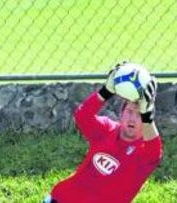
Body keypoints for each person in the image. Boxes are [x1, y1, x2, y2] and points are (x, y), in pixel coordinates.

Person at [43, 62, 162, 203]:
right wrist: (106, 91)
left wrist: (147, 114)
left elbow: (154, 149)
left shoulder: (144, 152)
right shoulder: (106, 129)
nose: (133, 119)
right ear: (121, 113)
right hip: (63, 198)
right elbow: (82, 116)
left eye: (139, 115)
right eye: (129, 111)